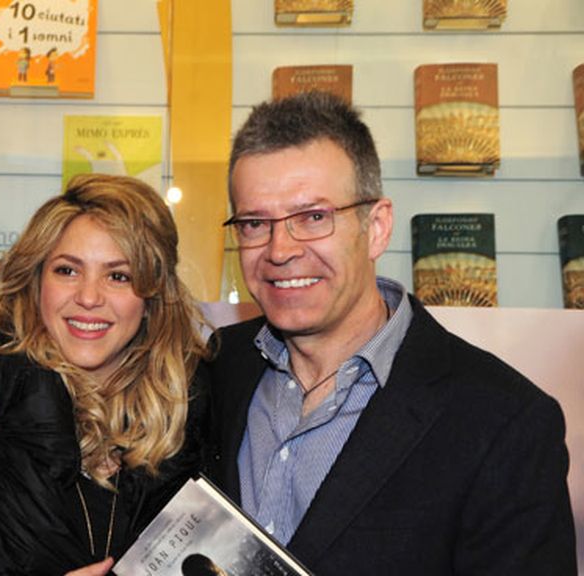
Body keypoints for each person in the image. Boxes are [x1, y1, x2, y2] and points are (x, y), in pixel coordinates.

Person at [206, 91, 577, 574]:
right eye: (255, 223)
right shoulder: (215, 368)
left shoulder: (504, 423)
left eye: (313, 218)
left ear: (377, 227)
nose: (279, 250)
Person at [0, 174, 211, 575]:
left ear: (152, 297)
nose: (89, 297)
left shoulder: (185, 429)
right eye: (67, 271)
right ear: (35, 283)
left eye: (118, 275)